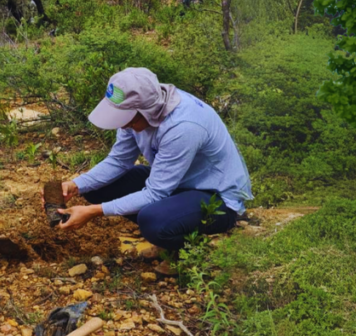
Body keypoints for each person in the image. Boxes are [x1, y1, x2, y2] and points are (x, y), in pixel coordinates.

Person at [57, 68, 252, 275]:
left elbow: (156, 193)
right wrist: (75, 185)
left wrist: (93, 212)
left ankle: (185, 249)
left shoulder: (183, 127)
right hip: (176, 183)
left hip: (216, 198)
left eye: (129, 119)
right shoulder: (134, 113)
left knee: (152, 221)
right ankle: (172, 227)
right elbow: (119, 160)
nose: (124, 125)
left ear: (146, 110)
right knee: (96, 188)